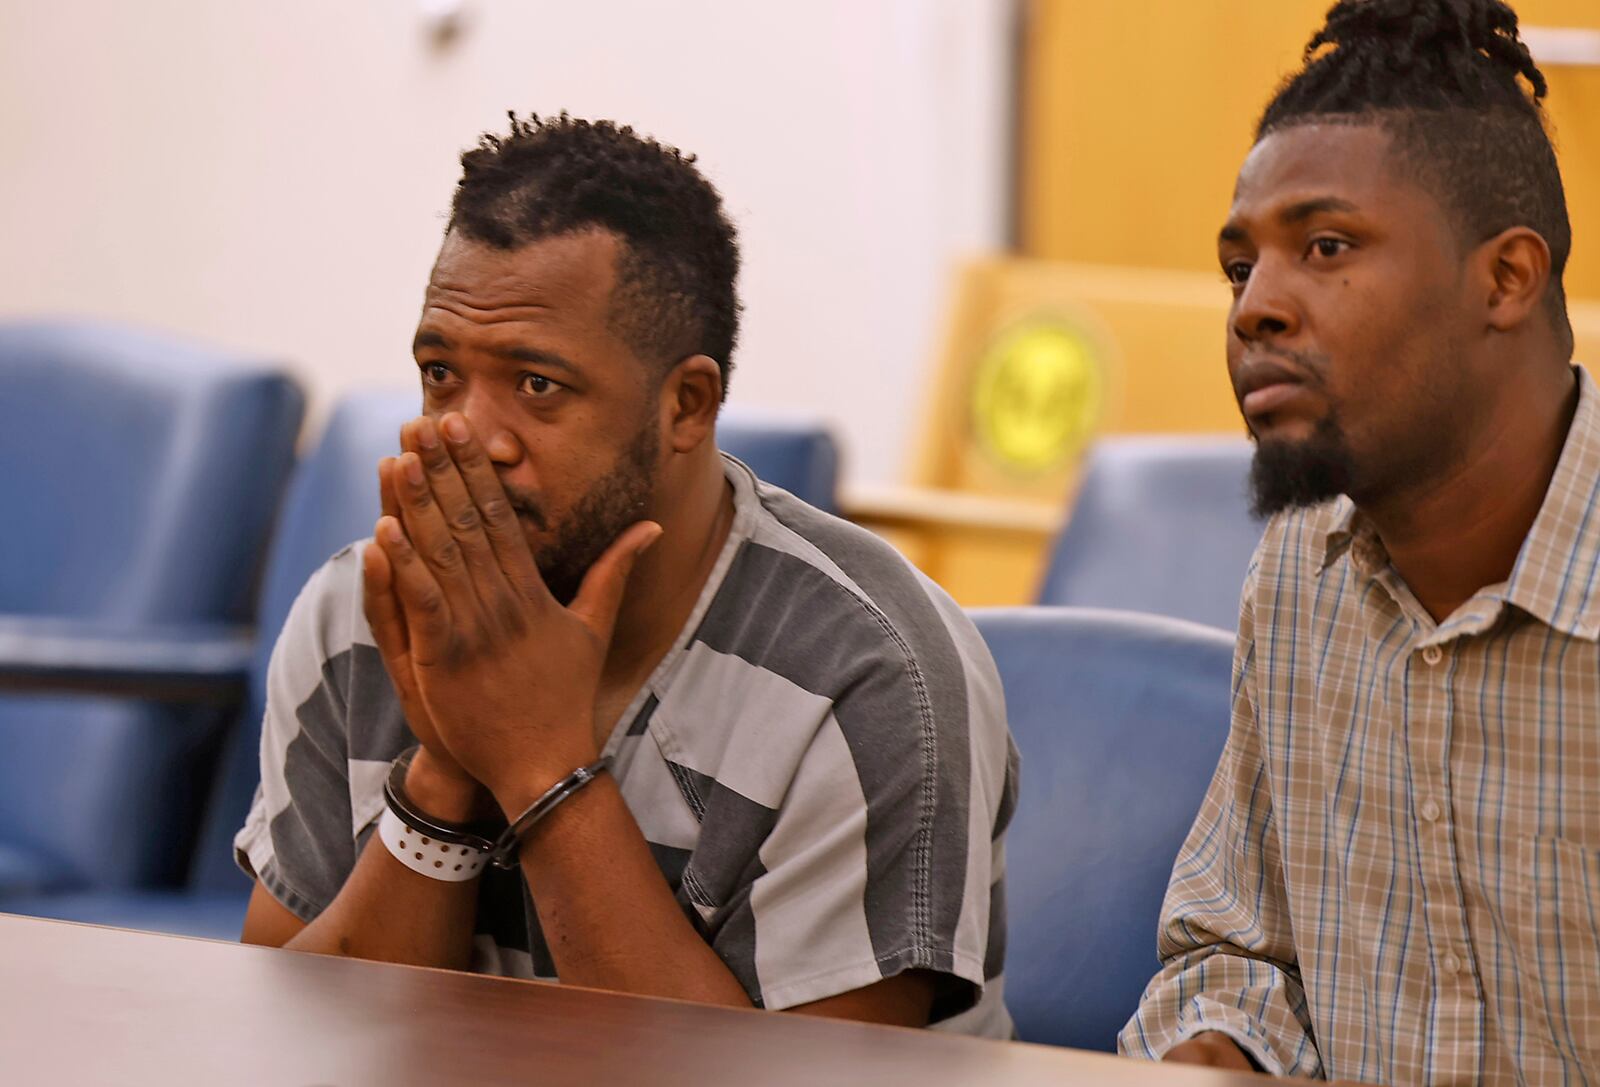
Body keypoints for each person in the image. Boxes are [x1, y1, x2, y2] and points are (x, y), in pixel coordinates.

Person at [234, 114, 1017, 1036]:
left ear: (687, 404)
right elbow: (291, 1038)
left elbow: (813, 1081)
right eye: (441, 371)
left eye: (536, 385)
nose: (467, 436)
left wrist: (536, 760)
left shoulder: (869, 679)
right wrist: (447, 766)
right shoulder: (357, 617)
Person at [1120, 0, 1597, 1080]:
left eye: (1325, 247)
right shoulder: (1299, 571)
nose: (1255, 311)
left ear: (1506, 278)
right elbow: (1238, 947)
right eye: (1240, 268)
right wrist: (1215, 1048)